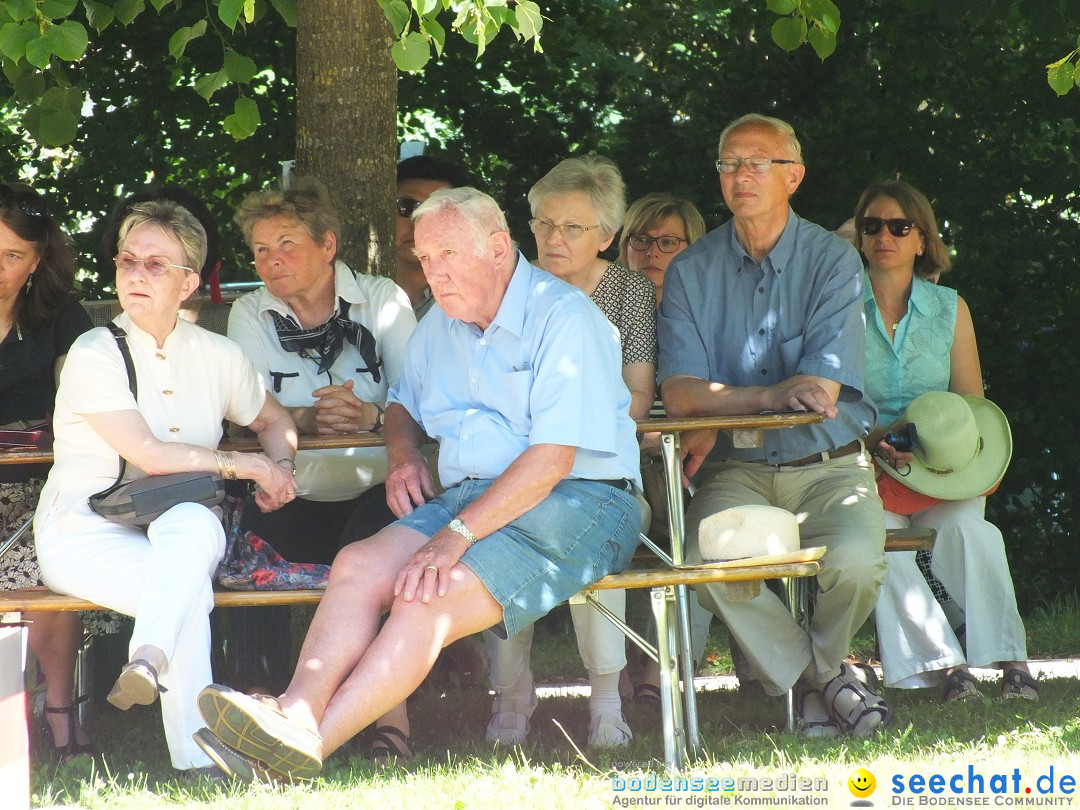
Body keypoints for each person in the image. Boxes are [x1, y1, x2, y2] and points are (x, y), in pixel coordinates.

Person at [192, 187, 641, 782]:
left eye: (448, 254)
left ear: (500, 247)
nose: (435, 271)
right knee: (357, 563)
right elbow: (402, 404)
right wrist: (402, 458)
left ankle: (299, 752)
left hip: (581, 498)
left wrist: (454, 535)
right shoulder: (442, 321)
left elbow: (554, 458)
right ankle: (295, 713)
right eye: (427, 259)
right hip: (470, 495)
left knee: (425, 599)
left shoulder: (564, 317)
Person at [33, 199, 298, 776]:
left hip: (175, 531)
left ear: (189, 283)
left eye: (156, 265)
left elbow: (276, 421)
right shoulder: (93, 351)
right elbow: (150, 456)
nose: (135, 274)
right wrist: (246, 467)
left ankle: (148, 658)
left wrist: (280, 467)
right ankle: (197, 756)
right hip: (83, 531)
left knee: (196, 521)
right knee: (187, 595)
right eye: (127, 261)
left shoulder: (219, 355)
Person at [657, 113, 889, 738]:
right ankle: (829, 681)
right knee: (708, 560)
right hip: (738, 470)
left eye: (758, 163)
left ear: (794, 176)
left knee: (857, 563)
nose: (741, 175)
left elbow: (818, 392)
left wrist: (725, 402)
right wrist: (765, 398)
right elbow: (680, 395)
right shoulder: (690, 271)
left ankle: (813, 681)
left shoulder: (833, 261)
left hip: (829, 466)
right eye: (730, 163)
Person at [224, 176, 417, 761]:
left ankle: (390, 719)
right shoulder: (251, 312)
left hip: (375, 489)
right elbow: (246, 411)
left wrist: (371, 412)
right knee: (250, 527)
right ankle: (256, 707)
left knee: (380, 536)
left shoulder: (383, 301)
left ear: (328, 245)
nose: (271, 260)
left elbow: (421, 401)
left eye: (286, 243)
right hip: (292, 491)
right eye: (260, 250)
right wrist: (306, 419)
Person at [480, 156, 652, 748]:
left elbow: (637, 398)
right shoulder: (510, 293)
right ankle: (511, 695)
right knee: (500, 534)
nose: (553, 238)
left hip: (603, 475)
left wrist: (559, 432)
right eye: (544, 223)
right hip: (518, 473)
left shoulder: (627, 292)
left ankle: (606, 699)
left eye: (572, 227)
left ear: (606, 235)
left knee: (581, 539)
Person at [855, 179, 1035, 701]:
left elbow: (969, 406)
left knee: (973, 534)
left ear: (921, 240)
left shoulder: (950, 308)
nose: (884, 235)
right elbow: (829, 399)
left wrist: (938, 441)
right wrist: (872, 438)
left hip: (940, 468)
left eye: (898, 226)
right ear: (861, 238)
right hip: (862, 465)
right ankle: (947, 667)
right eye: (872, 226)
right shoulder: (837, 305)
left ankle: (1012, 660)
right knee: (879, 546)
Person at [0, 182, 94, 761]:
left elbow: (83, 404)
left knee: (48, 560)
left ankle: (60, 715)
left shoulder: (61, 318)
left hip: (41, 489)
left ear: (37, 262)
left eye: (13, 255)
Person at [395, 155, 472, 320]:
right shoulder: (352, 287)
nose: (419, 224)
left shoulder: (472, 301)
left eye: (436, 211)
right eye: (406, 207)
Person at [618, 192, 707, 307]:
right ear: (625, 247)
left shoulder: (710, 314)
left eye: (668, 242)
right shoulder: (600, 311)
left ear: (692, 248)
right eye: (641, 240)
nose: (652, 252)